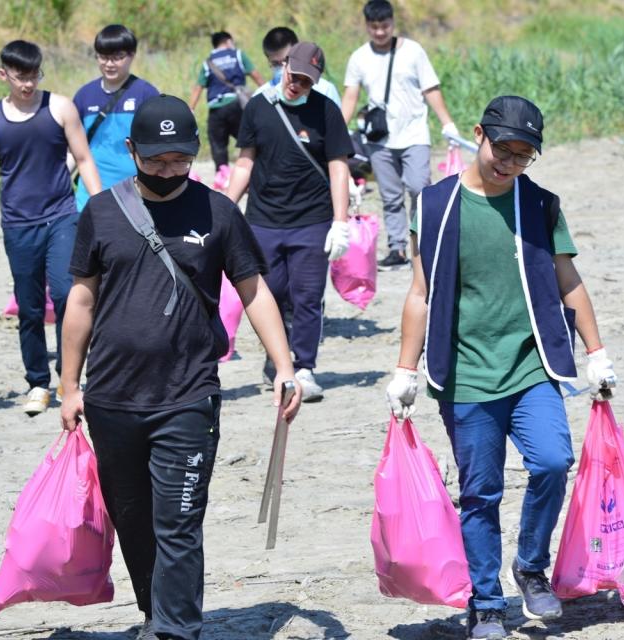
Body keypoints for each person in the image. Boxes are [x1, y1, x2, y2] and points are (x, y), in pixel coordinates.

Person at [60, 94, 301, 640]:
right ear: (131, 151)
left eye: (179, 158)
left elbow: (255, 290)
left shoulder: (218, 212)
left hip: (188, 396)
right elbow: (80, 301)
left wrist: (284, 365)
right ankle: (155, 613)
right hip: (111, 398)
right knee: (134, 522)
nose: (168, 169)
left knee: (179, 522)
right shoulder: (101, 212)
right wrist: (68, 384)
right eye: (155, 159)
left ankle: (175, 630)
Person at [385, 96, 618, 639]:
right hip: (463, 374)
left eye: (523, 155)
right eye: (503, 150)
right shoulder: (437, 204)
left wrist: (596, 352)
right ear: (478, 135)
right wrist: (404, 368)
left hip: (531, 364)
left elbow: (569, 281)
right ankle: (486, 602)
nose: (509, 162)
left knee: (553, 461)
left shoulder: (539, 205)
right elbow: (420, 292)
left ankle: (531, 566)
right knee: (480, 492)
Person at [0, 40, 101, 416]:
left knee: (68, 296)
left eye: (34, 76)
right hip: (17, 224)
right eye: (21, 77)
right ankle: (37, 382)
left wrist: (102, 210)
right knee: (30, 307)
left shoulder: (60, 108)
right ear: (4, 75)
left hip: (62, 216)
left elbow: (83, 158)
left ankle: (70, 378)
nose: (28, 85)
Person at [226, 42, 353, 402]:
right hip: (264, 220)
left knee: (307, 297)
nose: (297, 85)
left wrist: (340, 222)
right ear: (283, 66)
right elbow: (245, 163)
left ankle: (304, 368)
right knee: (272, 293)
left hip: (312, 220)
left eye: (306, 81)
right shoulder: (257, 108)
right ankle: (278, 356)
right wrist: (224, 206)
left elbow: (338, 166)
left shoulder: (326, 111)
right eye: (293, 76)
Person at [341, 0, 457, 270]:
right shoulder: (359, 57)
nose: (380, 32)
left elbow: (431, 89)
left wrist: (447, 123)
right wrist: (337, 130)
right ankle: (397, 249)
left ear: (393, 23)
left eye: (385, 26)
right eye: (374, 27)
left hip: (414, 133)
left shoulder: (413, 52)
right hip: (379, 139)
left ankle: (423, 244)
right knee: (390, 196)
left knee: (419, 188)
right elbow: (350, 96)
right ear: (367, 26)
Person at [71, 24, 158, 211]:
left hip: (136, 195)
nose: (109, 64)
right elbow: (72, 150)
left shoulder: (146, 94)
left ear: (132, 55)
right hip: (90, 198)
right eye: (103, 57)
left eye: (117, 57)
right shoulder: (84, 96)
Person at [188, 31, 263, 170]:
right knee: (249, 140)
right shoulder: (238, 55)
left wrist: (191, 109)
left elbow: (198, 87)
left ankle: (223, 175)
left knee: (218, 144)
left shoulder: (208, 62)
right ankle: (256, 169)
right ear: (228, 41)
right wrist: (267, 93)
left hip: (216, 109)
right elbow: (256, 75)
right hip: (237, 105)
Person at [257, 27, 342, 107]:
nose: (282, 67)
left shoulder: (325, 90)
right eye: (276, 64)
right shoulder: (261, 96)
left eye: (286, 60)